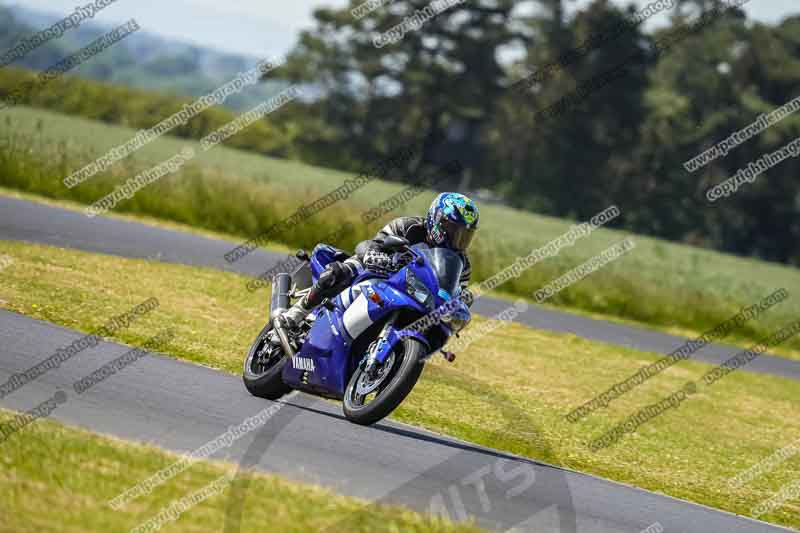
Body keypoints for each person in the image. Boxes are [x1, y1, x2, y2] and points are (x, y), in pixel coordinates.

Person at [276, 192, 480, 331]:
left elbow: (455, 292)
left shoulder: (462, 264)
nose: (458, 239)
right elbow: (373, 245)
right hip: (379, 272)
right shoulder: (409, 227)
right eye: (453, 230)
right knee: (340, 272)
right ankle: (297, 312)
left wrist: (462, 301)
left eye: (465, 235)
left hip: (414, 296)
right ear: (437, 219)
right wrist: (378, 256)